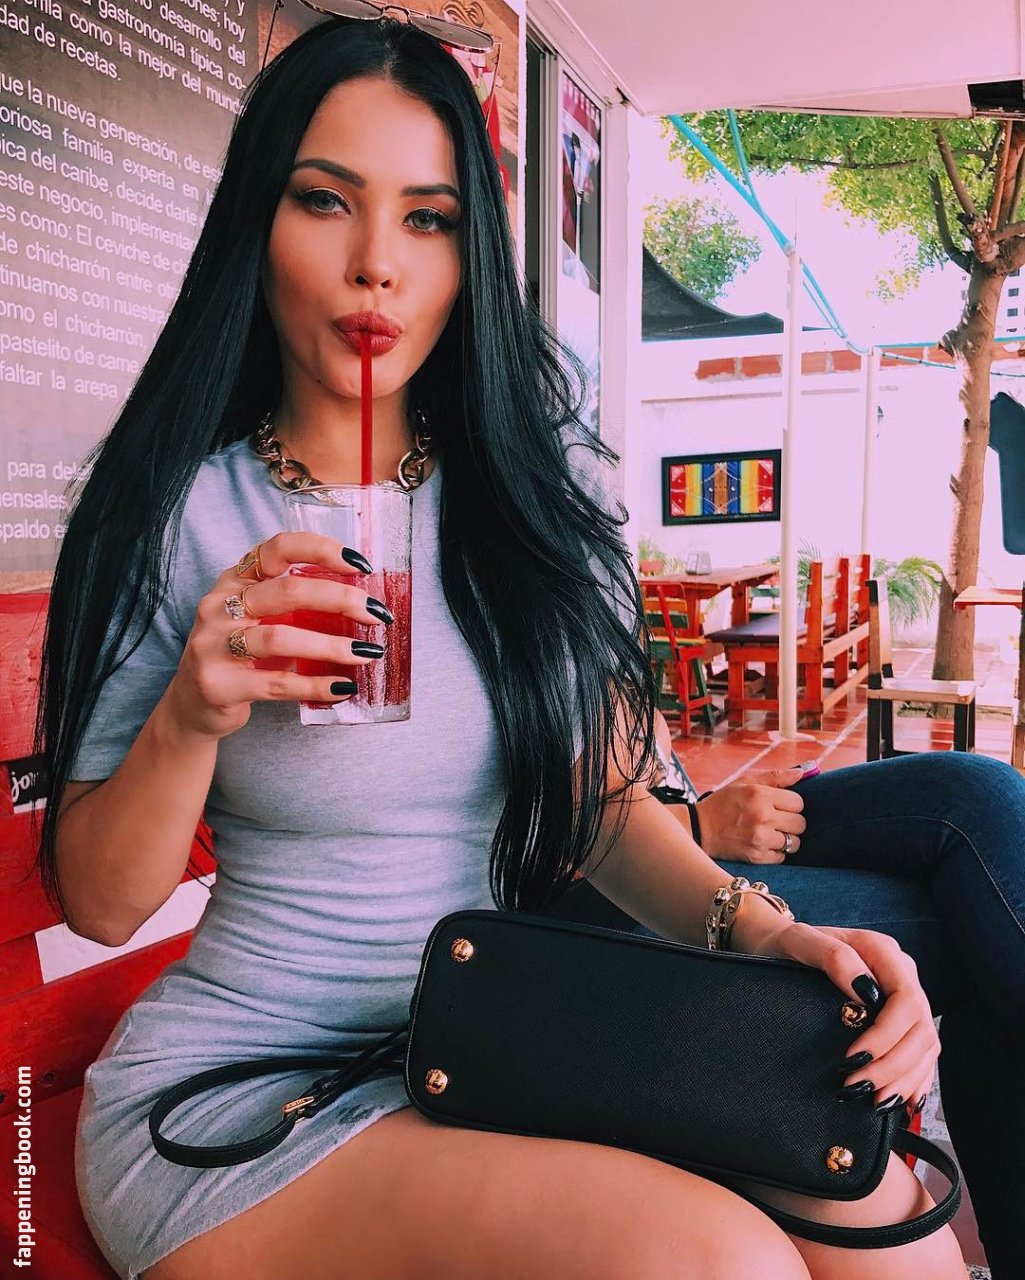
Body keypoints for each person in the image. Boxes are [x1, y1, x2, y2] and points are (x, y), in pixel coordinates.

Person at [37, 14, 965, 1280]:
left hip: (496, 1039)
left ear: (469, 252)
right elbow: (99, 902)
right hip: (244, 1093)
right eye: (325, 200)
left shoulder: (534, 498)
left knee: (884, 1224)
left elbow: (596, 809)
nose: (376, 264)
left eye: (425, 218)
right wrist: (191, 714)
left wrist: (762, 931)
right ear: (257, 220)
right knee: (712, 1261)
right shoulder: (173, 515)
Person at [558, 710, 1025, 1276]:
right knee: (981, 923)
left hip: (663, 816)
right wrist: (695, 825)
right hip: (585, 899)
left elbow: (610, 756)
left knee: (978, 794)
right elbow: (531, 821)